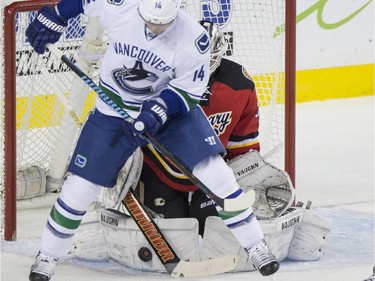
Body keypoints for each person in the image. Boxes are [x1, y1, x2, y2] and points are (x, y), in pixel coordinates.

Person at [25, 0, 279, 280]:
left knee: (216, 174)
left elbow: (187, 92)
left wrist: (159, 110)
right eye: (149, 20)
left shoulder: (194, 39)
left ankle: (256, 246)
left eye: (163, 23)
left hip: (171, 113)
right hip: (113, 111)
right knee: (79, 187)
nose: (155, 27)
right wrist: (57, 14)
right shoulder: (121, 7)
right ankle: (47, 256)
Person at [137, 20, 261, 236]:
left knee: (211, 232)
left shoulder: (239, 84)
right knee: (174, 234)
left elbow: (243, 144)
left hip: (211, 178)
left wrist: (246, 176)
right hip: (159, 170)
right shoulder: (157, 77)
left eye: (209, 58)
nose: (202, 66)